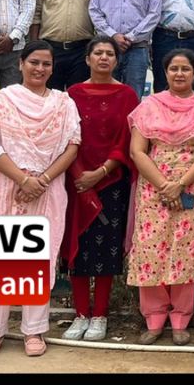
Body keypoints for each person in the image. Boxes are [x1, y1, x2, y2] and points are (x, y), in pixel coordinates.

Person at [0, 41, 82, 358]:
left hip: (47, 190)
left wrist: (41, 181)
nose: (40, 69)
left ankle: (33, 330)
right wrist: (23, 179)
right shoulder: (2, 99)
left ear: (52, 68)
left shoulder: (64, 103)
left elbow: (72, 145)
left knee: (39, 258)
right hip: (4, 186)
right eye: (34, 62)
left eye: (46, 64)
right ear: (21, 64)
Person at [126, 49, 194, 346]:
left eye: (185, 69)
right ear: (165, 72)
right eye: (173, 69)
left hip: (193, 186)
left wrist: (180, 184)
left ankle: (181, 318)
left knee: (185, 251)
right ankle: (154, 318)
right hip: (153, 186)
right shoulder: (149, 106)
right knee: (151, 250)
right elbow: (137, 151)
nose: (179, 74)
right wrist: (164, 185)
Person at [63, 37, 140, 343]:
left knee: (106, 250)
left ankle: (100, 315)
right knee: (78, 247)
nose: (104, 58)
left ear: (117, 61)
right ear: (87, 59)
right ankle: (81, 313)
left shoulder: (127, 95)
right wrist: (80, 175)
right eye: (98, 53)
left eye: (110, 53)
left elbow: (127, 139)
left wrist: (102, 172)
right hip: (76, 181)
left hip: (112, 180)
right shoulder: (72, 94)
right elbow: (66, 136)